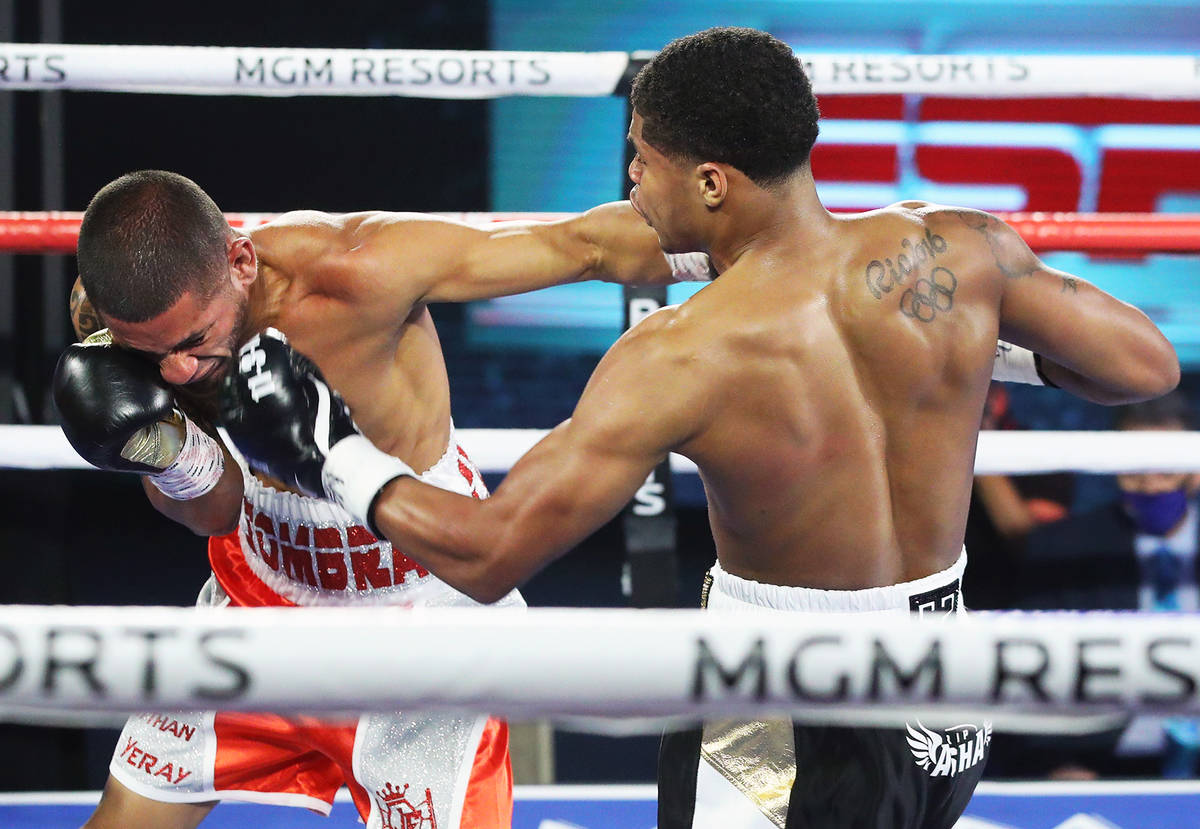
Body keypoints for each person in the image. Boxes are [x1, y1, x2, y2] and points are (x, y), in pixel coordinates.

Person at [219, 27, 1180, 829]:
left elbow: (491, 553)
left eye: (643, 153)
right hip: (943, 689)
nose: (631, 173)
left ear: (713, 183)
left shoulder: (682, 356)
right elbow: (1144, 365)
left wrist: (330, 452)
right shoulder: (956, 251)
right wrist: (978, 345)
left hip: (765, 706)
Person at [52, 169, 710, 829]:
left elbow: (587, 245)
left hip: (419, 609)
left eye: (195, 342)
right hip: (259, 592)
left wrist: (769, 245)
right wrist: (173, 457)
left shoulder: (360, 271)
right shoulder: (128, 319)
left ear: (241, 260)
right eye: (154, 356)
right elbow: (216, 511)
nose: (178, 371)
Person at [1002, 390, 1200, 780]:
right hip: (1103, 760)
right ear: (1113, 469)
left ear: (1195, 470)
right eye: (1135, 469)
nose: (1151, 485)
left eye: (1165, 469)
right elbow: (1038, 674)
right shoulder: (1064, 550)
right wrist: (1060, 763)